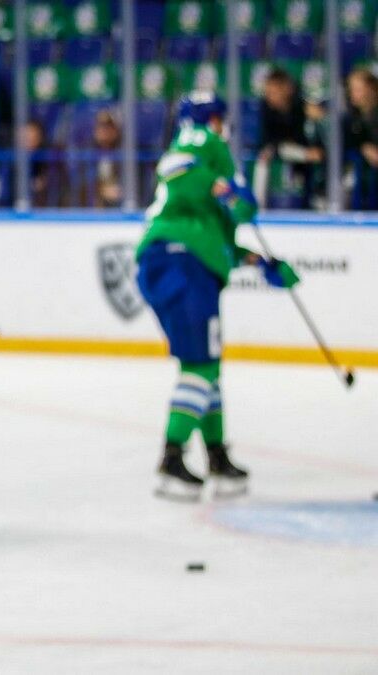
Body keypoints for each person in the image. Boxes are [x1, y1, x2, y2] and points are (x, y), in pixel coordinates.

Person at [136, 91, 300, 501]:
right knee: (201, 366)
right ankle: (171, 460)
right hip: (182, 265)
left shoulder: (203, 199)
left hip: (182, 264)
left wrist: (259, 261)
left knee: (206, 366)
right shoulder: (200, 141)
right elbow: (176, 167)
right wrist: (225, 189)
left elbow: (221, 240)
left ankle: (216, 456)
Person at [254, 67, 323, 209]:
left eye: (274, 92)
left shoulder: (301, 105)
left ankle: (320, 199)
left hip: (304, 151)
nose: (270, 96)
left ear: (287, 89)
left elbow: (310, 135)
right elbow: (267, 138)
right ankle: (259, 206)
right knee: (263, 157)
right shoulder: (265, 108)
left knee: (317, 158)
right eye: (268, 92)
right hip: (281, 149)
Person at [344, 69, 378, 210]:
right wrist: (364, 147)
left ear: (371, 89)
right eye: (351, 89)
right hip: (362, 171)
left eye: (358, 89)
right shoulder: (351, 117)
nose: (352, 94)